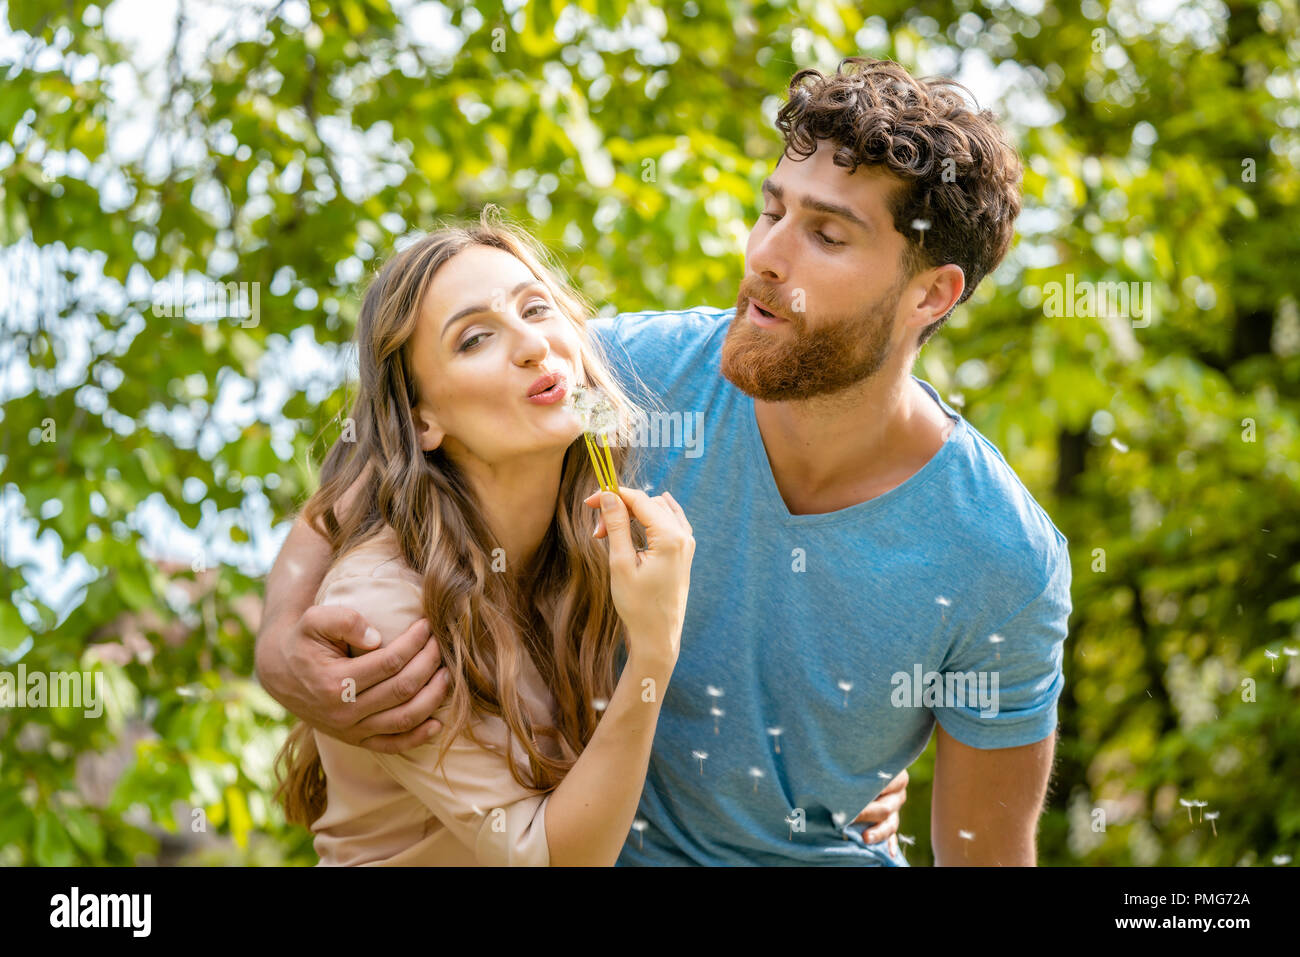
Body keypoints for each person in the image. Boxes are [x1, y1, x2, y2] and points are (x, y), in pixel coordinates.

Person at [262, 55, 1068, 866]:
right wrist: (281, 645)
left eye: (825, 235)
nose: (765, 256)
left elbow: (987, 854)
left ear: (931, 295)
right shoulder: (621, 372)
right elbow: (383, 452)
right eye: (770, 211)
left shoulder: (998, 555)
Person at [273, 212, 696, 865]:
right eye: (475, 339)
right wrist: (653, 653)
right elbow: (555, 860)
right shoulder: (386, 612)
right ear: (424, 421)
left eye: (537, 308)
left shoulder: (585, 535)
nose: (533, 345)